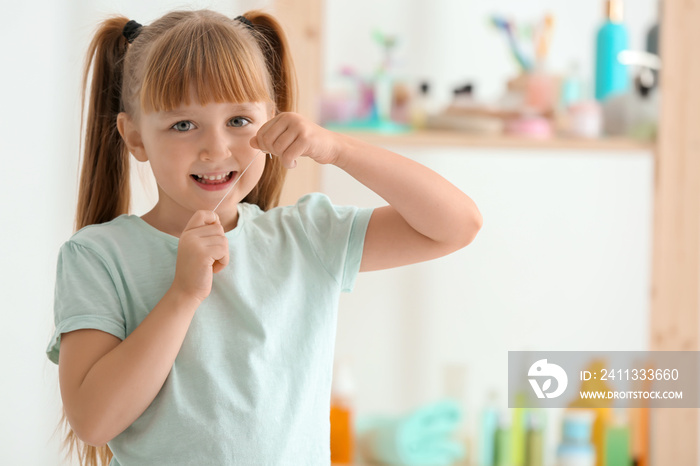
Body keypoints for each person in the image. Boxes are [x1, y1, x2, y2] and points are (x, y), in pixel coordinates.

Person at [45, 9, 482, 466]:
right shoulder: (97, 256)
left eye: (238, 120)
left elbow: (458, 224)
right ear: (134, 137)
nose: (216, 148)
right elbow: (94, 421)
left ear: (271, 121)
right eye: (182, 124)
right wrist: (183, 295)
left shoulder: (306, 238)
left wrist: (338, 149)